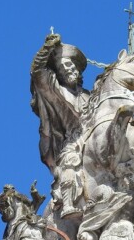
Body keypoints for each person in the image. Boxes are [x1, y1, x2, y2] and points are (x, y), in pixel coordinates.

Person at [30, 33, 90, 219]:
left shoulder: (91, 96)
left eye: (70, 66)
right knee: (70, 161)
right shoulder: (57, 92)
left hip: (99, 138)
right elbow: (37, 73)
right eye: (62, 69)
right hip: (75, 140)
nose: (67, 70)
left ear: (78, 69)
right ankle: (68, 204)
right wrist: (47, 48)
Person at [0, 184, 73, 240]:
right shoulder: (10, 232)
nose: (3, 212)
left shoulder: (26, 226)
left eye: (3, 208)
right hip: (16, 230)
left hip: (23, 227)